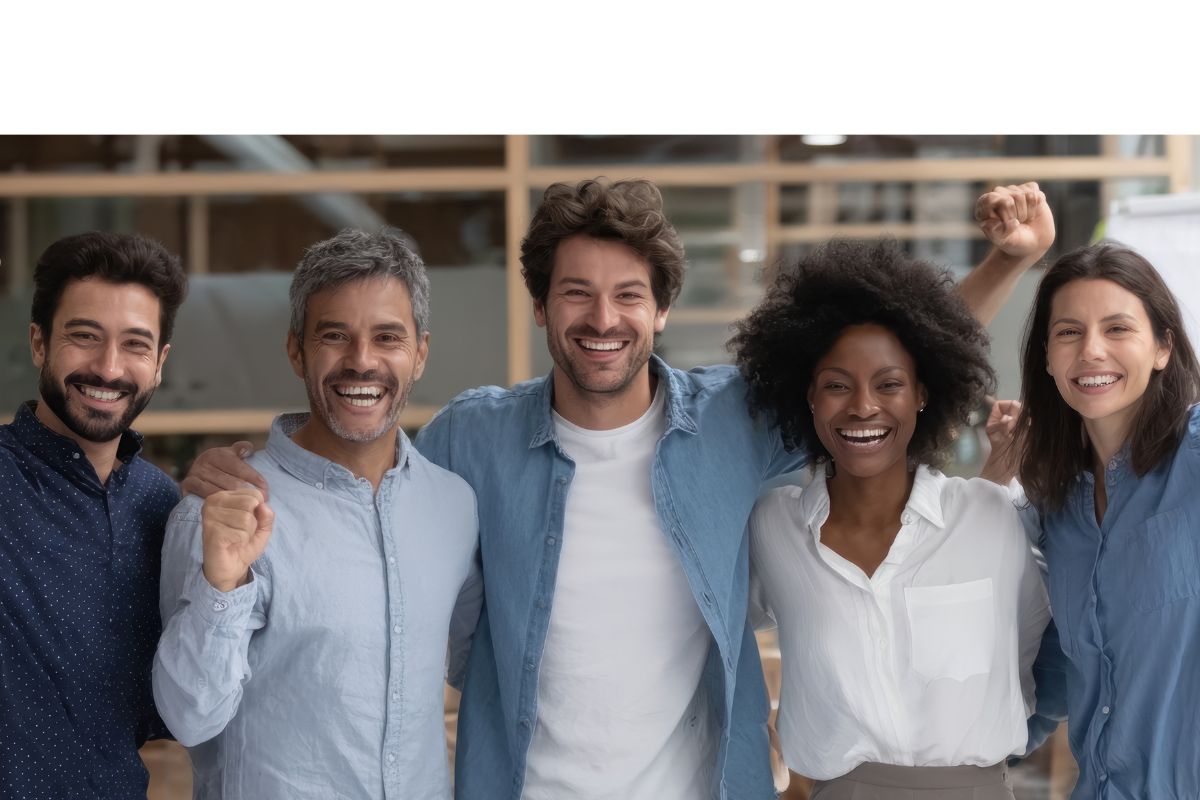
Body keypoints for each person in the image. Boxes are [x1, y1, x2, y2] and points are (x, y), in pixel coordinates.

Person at [183, 179, 1054, 799]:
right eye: (577, 293)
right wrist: (246, 473)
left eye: (628, 294)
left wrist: (1006, 265)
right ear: (541, 308)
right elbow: (364, 476)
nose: (603, 319)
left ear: (662, 309)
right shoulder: (474, 439)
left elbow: (878, 364)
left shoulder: (732, 421)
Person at [152, 228, 480, 799]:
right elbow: (188, 718)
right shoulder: (221, 511)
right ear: (296, 349)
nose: (362, 361)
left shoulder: (453, 505)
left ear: (420, 353)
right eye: (335, 335)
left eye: (388, 337)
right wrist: (222, 585)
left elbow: (481, 664)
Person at [731, 239, 1052, 800]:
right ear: (807, 396)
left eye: (889, 384)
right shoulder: (772, 529)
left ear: (924, 392)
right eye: (837, 385)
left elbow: (1036, 650)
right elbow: (711, 631)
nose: (862, 406)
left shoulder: (994, 517)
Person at [0, 232, 186, 799]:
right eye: (84, 336)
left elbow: (171, 710)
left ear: (159, 363)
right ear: (39, 342)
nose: (108, 368)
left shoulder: (165, 506)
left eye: (135, 344)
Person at [1011, 243, 1200, 799]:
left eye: (1118, 329)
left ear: (1163, 346)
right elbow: (1053, 675)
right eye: (1069, 332)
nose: (1092, 351)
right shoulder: (1056, 507)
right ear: (1047, 357)